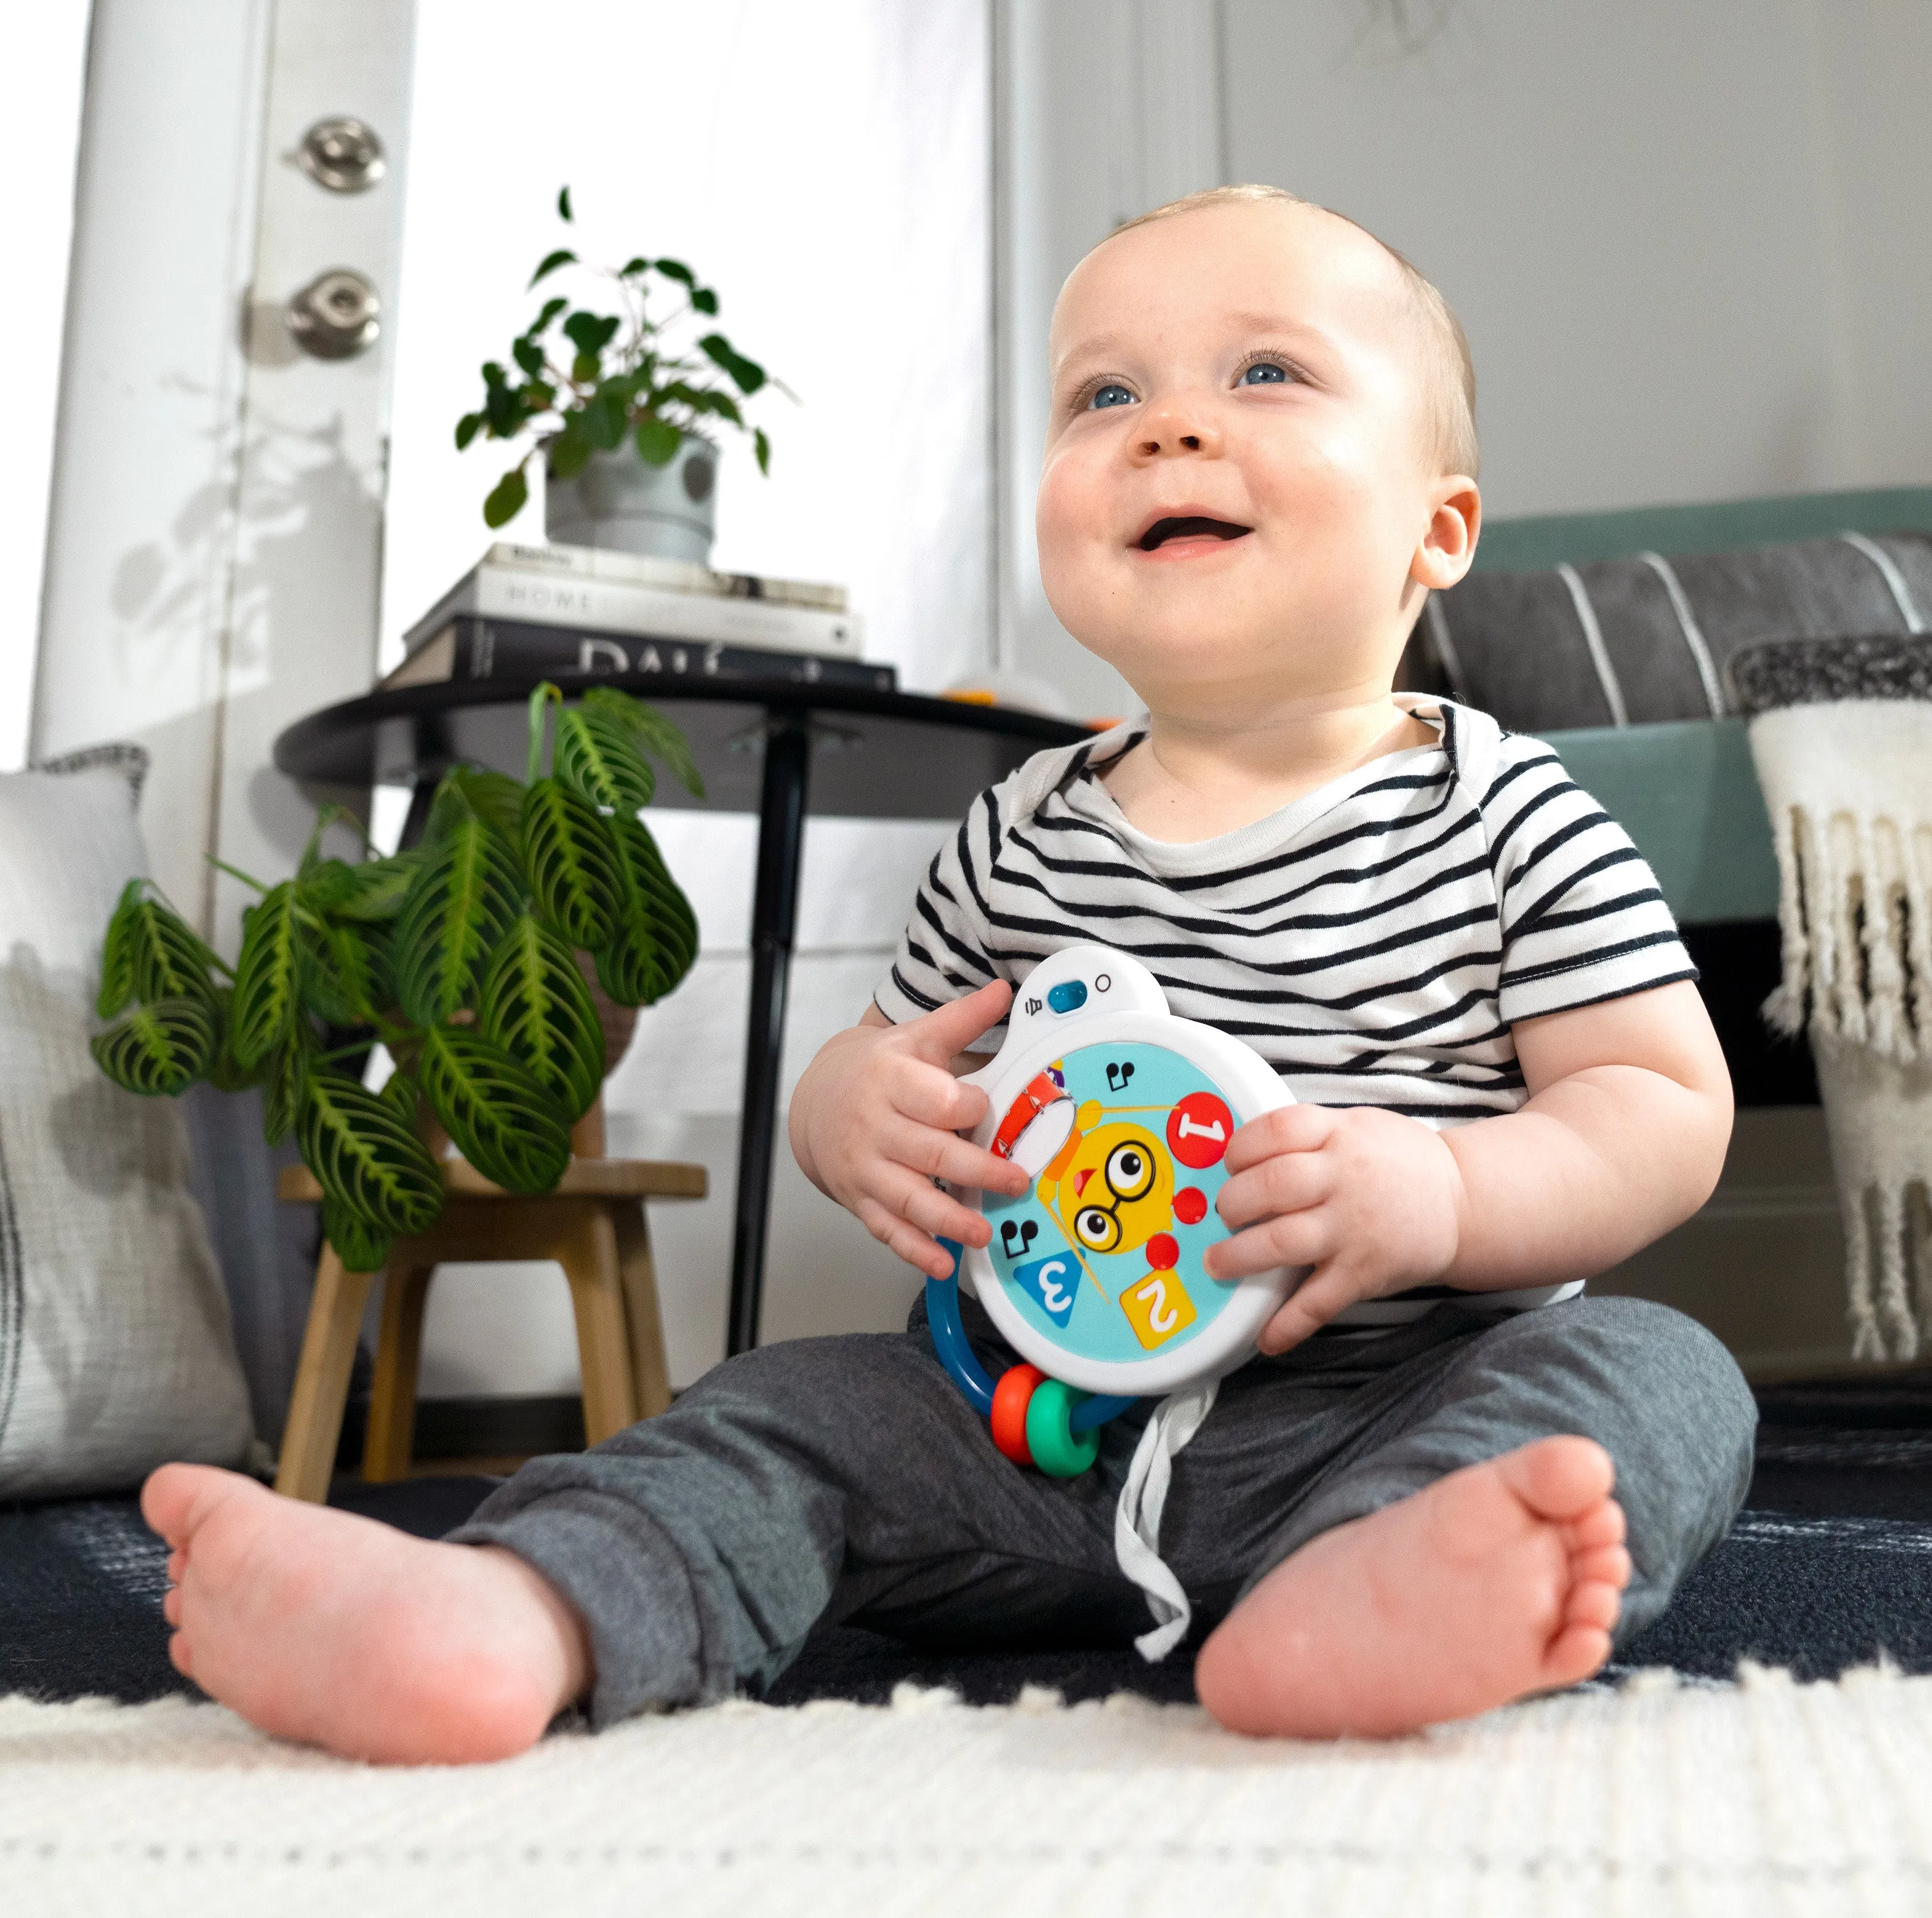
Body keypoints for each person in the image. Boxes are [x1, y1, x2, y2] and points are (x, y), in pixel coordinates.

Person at [143, 185, 1754, 1765]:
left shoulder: (1503, 811)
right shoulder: (1019, 834)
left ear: (1438, 529)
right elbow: (892, 1055)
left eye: (1265, 373)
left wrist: (1453, 1196)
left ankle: (1366, 1589)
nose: (1168, 427)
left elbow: (1660, 1102)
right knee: (783, 1407)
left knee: (1661, 1376)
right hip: (1029, 1435)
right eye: (1104, 392)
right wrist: (848, 1108)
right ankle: (511, 1616)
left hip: (1402, 1401)